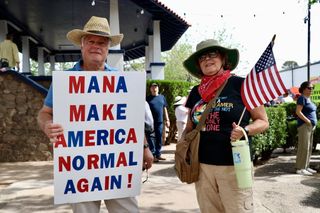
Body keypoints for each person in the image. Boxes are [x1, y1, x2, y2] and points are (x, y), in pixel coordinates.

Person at [37, 16, 153, 213]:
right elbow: (44, 113)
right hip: (79, 166)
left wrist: (144, 147)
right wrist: (47, 125)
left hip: (117, 164)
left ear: (108, 48)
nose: (96, 46)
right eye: (90, 41)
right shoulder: (65, 81)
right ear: (82, 45)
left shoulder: (121, 80)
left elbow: (131, 121)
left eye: (101, 43)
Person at [182, 39, 269, 213]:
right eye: (202, 57)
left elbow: (263, 121)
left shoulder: (242, 85)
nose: (207, 59)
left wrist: (245, 130)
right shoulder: (196, 92)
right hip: (202, 167)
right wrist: (183, 147)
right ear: (199, 65)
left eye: (212, 54)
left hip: (234, 166)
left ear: (223, 58)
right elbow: (190, 127)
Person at [295, 81, 317, 176]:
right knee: (304, 147)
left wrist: (313, 124)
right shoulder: (301, 98)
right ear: (303, 89)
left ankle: (306, 166)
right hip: (304, 125)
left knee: (309, 147)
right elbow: (298, 112)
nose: (311, 89)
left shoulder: (309, 99)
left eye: (312, 88)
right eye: (309, 88)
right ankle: (300, 168)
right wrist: (308, 121)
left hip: (310, 126)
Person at [146, 83, 170, 162]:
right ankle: (153, 154)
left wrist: (167, 119)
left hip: (159, 121)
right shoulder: (147, 99)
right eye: (152, 87)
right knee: (151, 138)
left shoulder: (162, 97)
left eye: (155, 87)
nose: (154, 88)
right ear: (150, 89)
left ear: (158, 88)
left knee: (159, 138)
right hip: (150, 122)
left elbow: (164, 109)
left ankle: (158, 154)